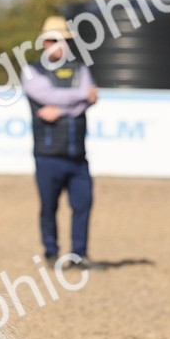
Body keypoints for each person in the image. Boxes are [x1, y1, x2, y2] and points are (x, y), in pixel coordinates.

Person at [21, 15, 103, 270]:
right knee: (49, 207)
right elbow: (46, 93)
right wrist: (78, 98)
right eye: (54, 40)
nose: (59, 45)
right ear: (44, 43)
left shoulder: (81, 69)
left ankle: (80, 254)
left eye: (63, 40)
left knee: (83, 203)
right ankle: (51, 252)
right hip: (48, 154)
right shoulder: (31, 71)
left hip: (77, 155)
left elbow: (90, 99)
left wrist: (60, 109)